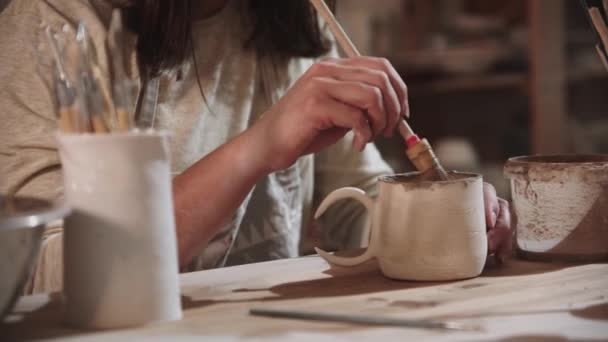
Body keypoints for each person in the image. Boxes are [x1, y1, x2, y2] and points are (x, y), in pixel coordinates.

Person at [0, 0, 512, 294]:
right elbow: (44, 278)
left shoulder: (288, 19)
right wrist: (257, 149)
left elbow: (350, 204)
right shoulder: (55, 26)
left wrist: (440, 223)